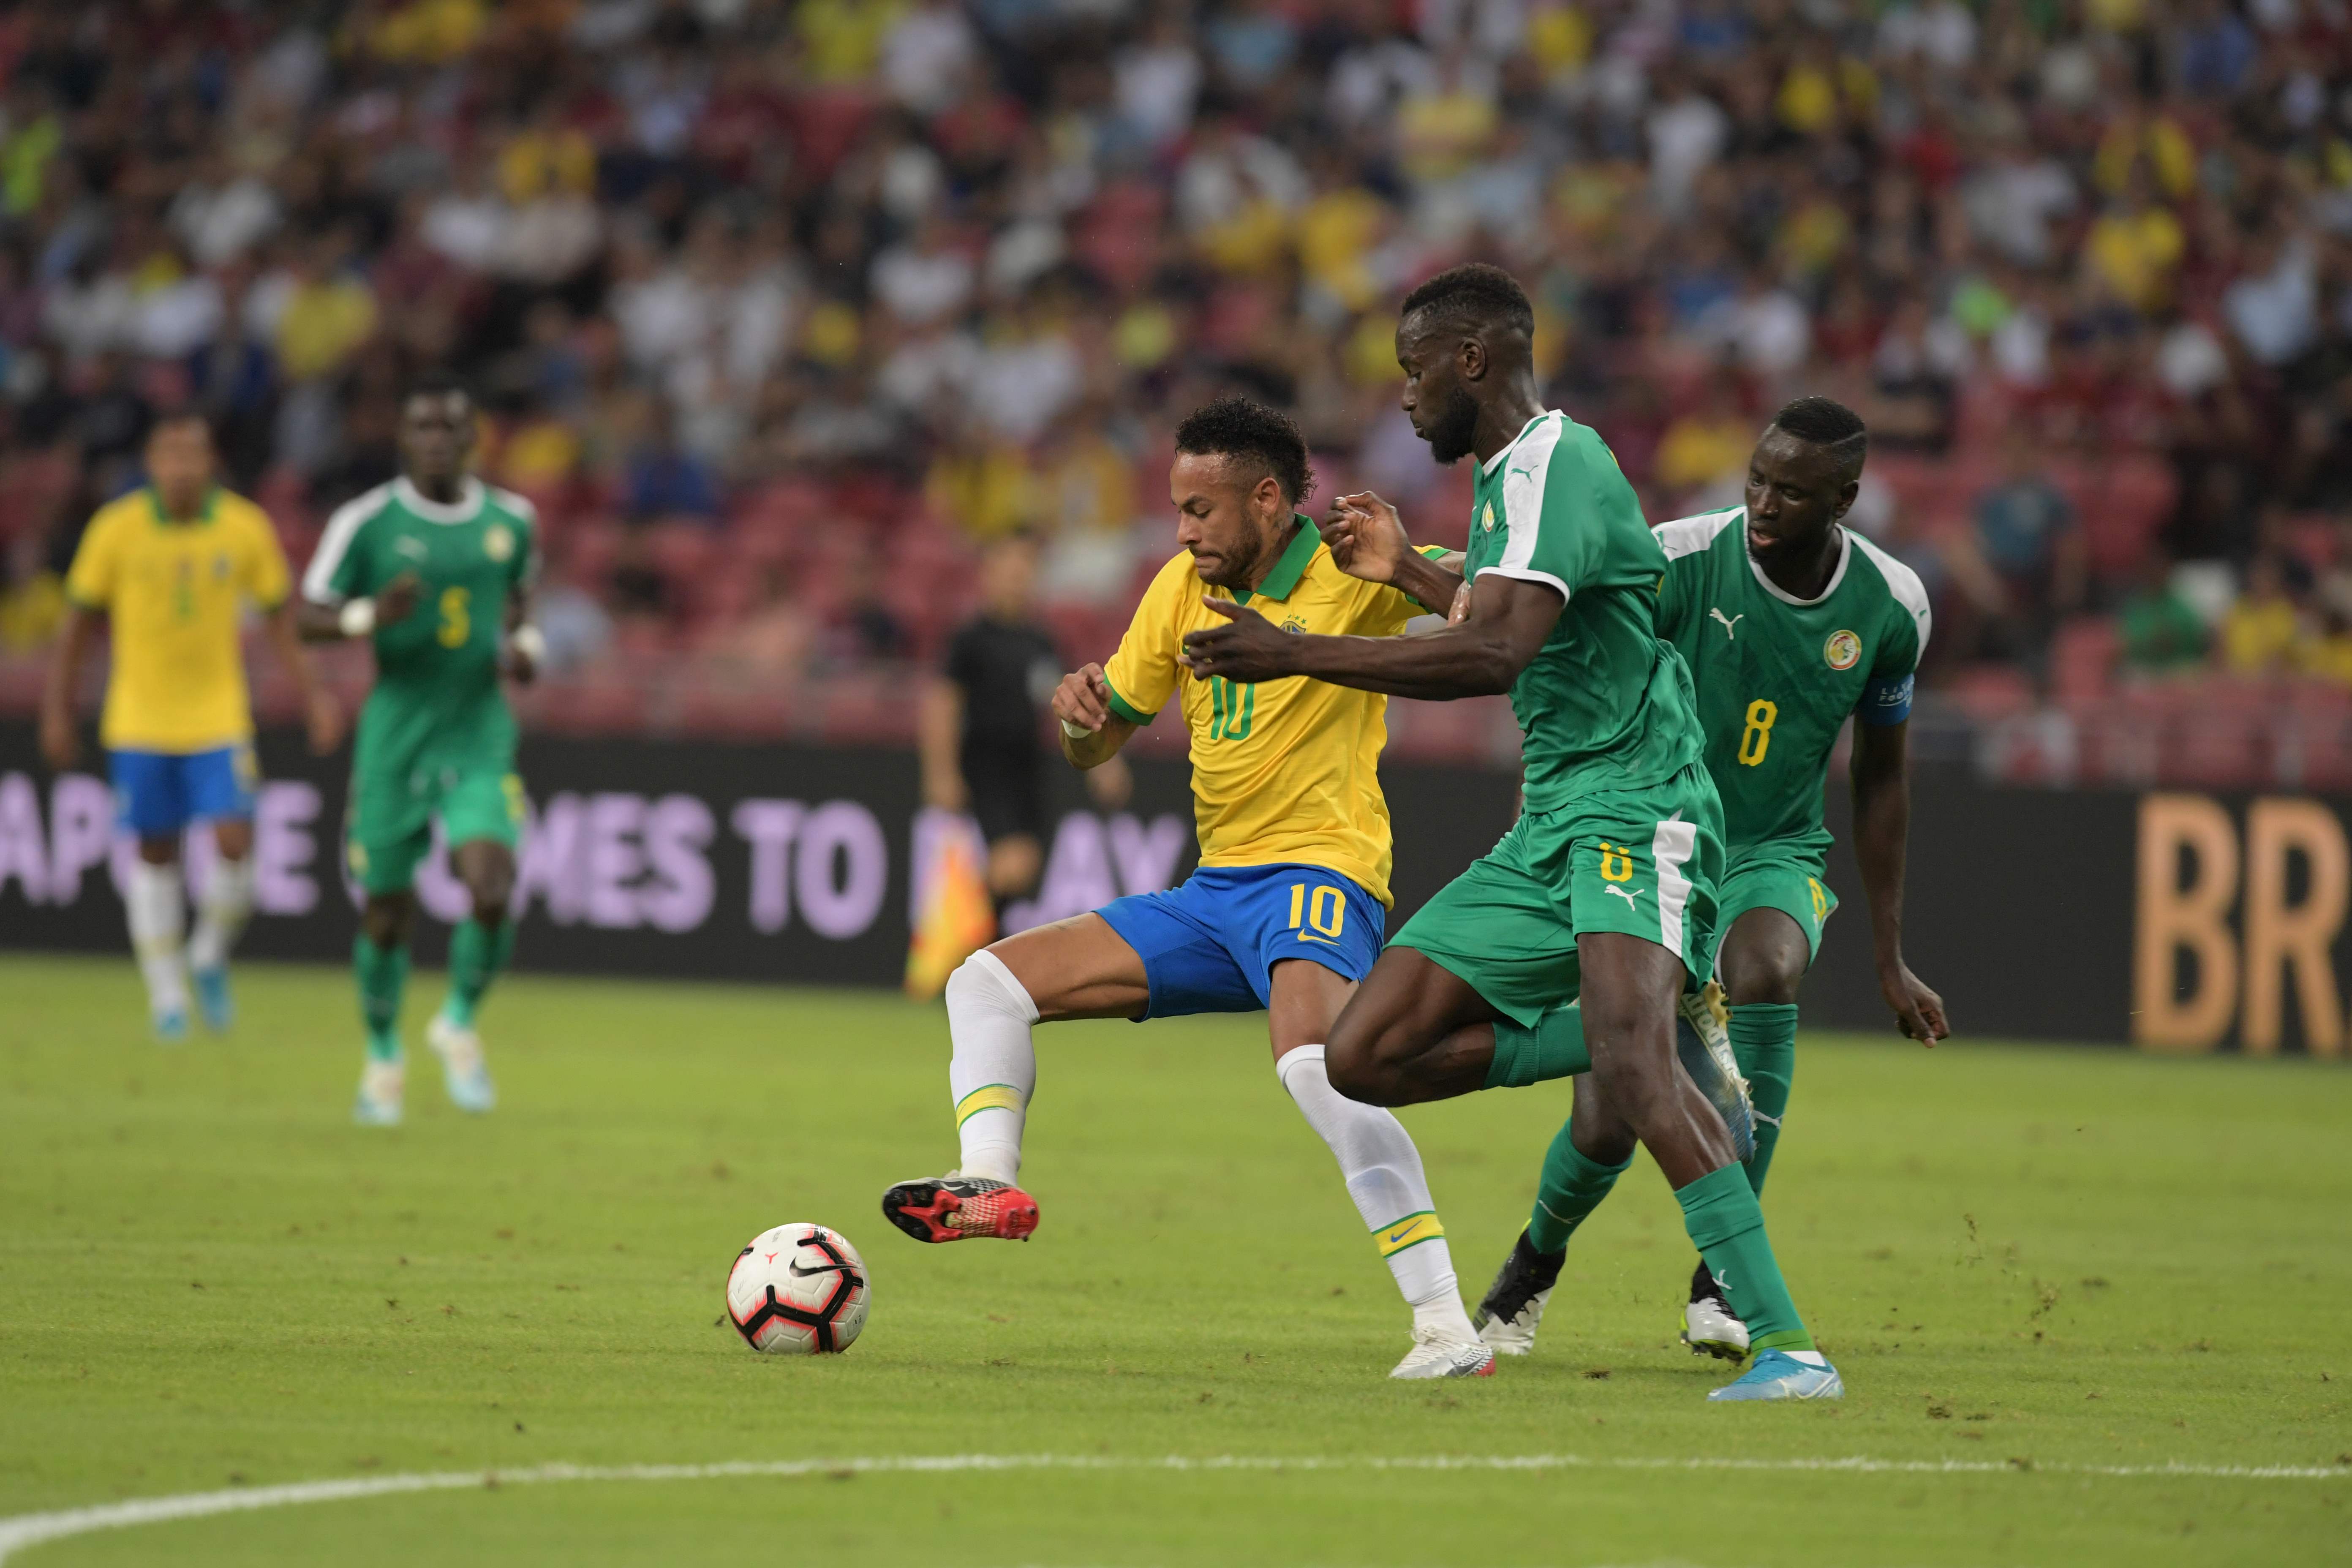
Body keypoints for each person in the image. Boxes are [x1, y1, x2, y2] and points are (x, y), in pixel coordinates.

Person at [1176, 264, 1837, 1401]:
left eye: (1413, 369)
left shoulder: (1558, 459)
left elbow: (1497, 655)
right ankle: (1619, 1033)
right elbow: (1510, 615)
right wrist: (1415, 575)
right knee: (1363, 1055)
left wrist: (1297, 651)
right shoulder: (1506, 482)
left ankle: (1789, 1348)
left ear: (1471, 358)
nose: (1404, 396)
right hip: (1552, 818)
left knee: (1637, 1074)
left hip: (1639, 798)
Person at [881, 397, 1494, 1380]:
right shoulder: (1178, 586)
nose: (1181, 530)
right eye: (1177, 508)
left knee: (1316, 1068)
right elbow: (1104, 737)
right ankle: (988, 1184)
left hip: (1319, 872)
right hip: (1214, 895)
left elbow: (1499, 625)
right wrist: (1081, 720)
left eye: (1201, 510)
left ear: (1264, 499)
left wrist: (1415, 570)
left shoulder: (1351, 568)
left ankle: (1445, 1326)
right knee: (983, 981)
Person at [1468, 397, 1949, 1367]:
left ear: (1846, 500)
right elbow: (1570, 645)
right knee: (1608, 1109)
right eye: (1758, 477)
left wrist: (1888, 954)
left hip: (1771, 851)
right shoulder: (1681, 555)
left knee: (1767, 966)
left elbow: (1883, 775)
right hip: (1649, 838)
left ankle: (1720, 1279)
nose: (1765, 501)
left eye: (1793, 490)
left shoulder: (1891, 609)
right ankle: (1532, 1263)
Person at [42, 413, 341, 1039]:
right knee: (156, 851)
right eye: (169, 455)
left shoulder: (244, 527)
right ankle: (167, 996)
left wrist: (315, 697)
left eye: (193, 455)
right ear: (151, 463)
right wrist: (57, 708)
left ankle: (206, 955)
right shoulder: (116, 530)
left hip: (217, 716)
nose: (181, 468)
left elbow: (280, 618)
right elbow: (77, 628)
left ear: (211, 464)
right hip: (139, 718)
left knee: (236, 843)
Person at [296, 376, 541, 1127]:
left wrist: (524, 648)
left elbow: (519, 605)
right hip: (397, 730)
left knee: (492, 884)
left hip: (478, 726)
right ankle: (382, 1056)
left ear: (472, 439)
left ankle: (458, 1022)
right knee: (387, 914)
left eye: (450, 428)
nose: (436, 440)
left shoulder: (512, 519)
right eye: (422, 428)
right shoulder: (366, 521)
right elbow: (306, 616)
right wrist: (372, 613)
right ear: (404, 439)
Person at [919, 532, 1130, 920]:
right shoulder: (970, 639)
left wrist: (1105, 764)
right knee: (1010, 864)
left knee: (1024, 868)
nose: (1019, 577)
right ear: (989, 573)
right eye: (1010, 567)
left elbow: (1068, 704)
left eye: (1026, 568)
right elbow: (943, 706)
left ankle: (974, 949)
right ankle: (966, 946)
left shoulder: (1041, 641)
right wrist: (942, 773)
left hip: (1029, 767)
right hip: (987, 765)